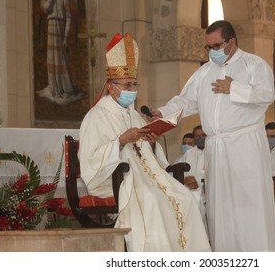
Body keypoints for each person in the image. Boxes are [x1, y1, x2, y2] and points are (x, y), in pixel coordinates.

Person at [150, 20, 275, 251]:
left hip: (245, 144)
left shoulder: (253, 64)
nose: (212, 52)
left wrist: (235, 88)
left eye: (216, 46)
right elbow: (186, 100)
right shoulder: (205, 72)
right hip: (216, 146)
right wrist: (163, 112)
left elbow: (267, 94)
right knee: (222, 207)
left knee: (250, 204)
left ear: (232, 42)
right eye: (208, 47)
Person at [78, 32, 211, 252]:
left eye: (134, 85)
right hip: (116, 179)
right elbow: (91, 159)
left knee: (185, 198)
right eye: (127, 85)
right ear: (111, 87)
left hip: (144, 176)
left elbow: (145, 152)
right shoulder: (96, 116)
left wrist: (151, 140)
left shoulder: (133, 114)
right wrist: (121, 140)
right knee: (150, 202)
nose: (132, 90)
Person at [38, 0, 83, 105]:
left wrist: (66, 37)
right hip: (51, 28)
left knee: (61, 59)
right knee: (51, 59)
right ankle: (53, 88)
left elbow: (68, 16)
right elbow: (45, 9)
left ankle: (64, 88)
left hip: (60, 29)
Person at [178, 125, 207, 222]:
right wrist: (186, 179)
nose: (200, 138)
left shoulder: (214, 151)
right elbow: (180, 169)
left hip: (205, 191)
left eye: (203, 135)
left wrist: (197, 181)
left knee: (196, 200)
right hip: (189, 189)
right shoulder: (189, 153)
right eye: (197, 136)